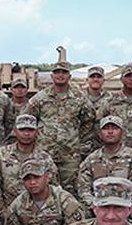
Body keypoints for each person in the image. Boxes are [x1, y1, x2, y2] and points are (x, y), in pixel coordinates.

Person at [24, 61, 95, 191]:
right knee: (44, 189)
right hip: (45, 153)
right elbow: (27, 120)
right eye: (57, 72)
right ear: (52, 76)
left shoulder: (79, 98)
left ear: (69, 76)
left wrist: (79, 140)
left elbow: (89, 120)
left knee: (72, 190)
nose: (60, 75)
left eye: (64, 72)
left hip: (70, 155)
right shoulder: (40, 98)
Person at [0, 113, 58, 225]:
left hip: (36, 214)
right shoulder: (1, 155)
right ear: (15, 130)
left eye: (30, 130)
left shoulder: (44, 158)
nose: (26, 134)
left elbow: (53, 187)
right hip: (6, 211)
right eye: (22, 129)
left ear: (37, 131)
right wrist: (3, 212)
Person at [76, 115, 132, 208]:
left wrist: (125, 205)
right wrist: (95, 205)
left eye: (115, 128)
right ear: (100, 134)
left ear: (122, 133)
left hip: (127, 207)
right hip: (98, 209)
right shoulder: (91, 159)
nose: (110, 132)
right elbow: (83, 189)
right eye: (106, 129)